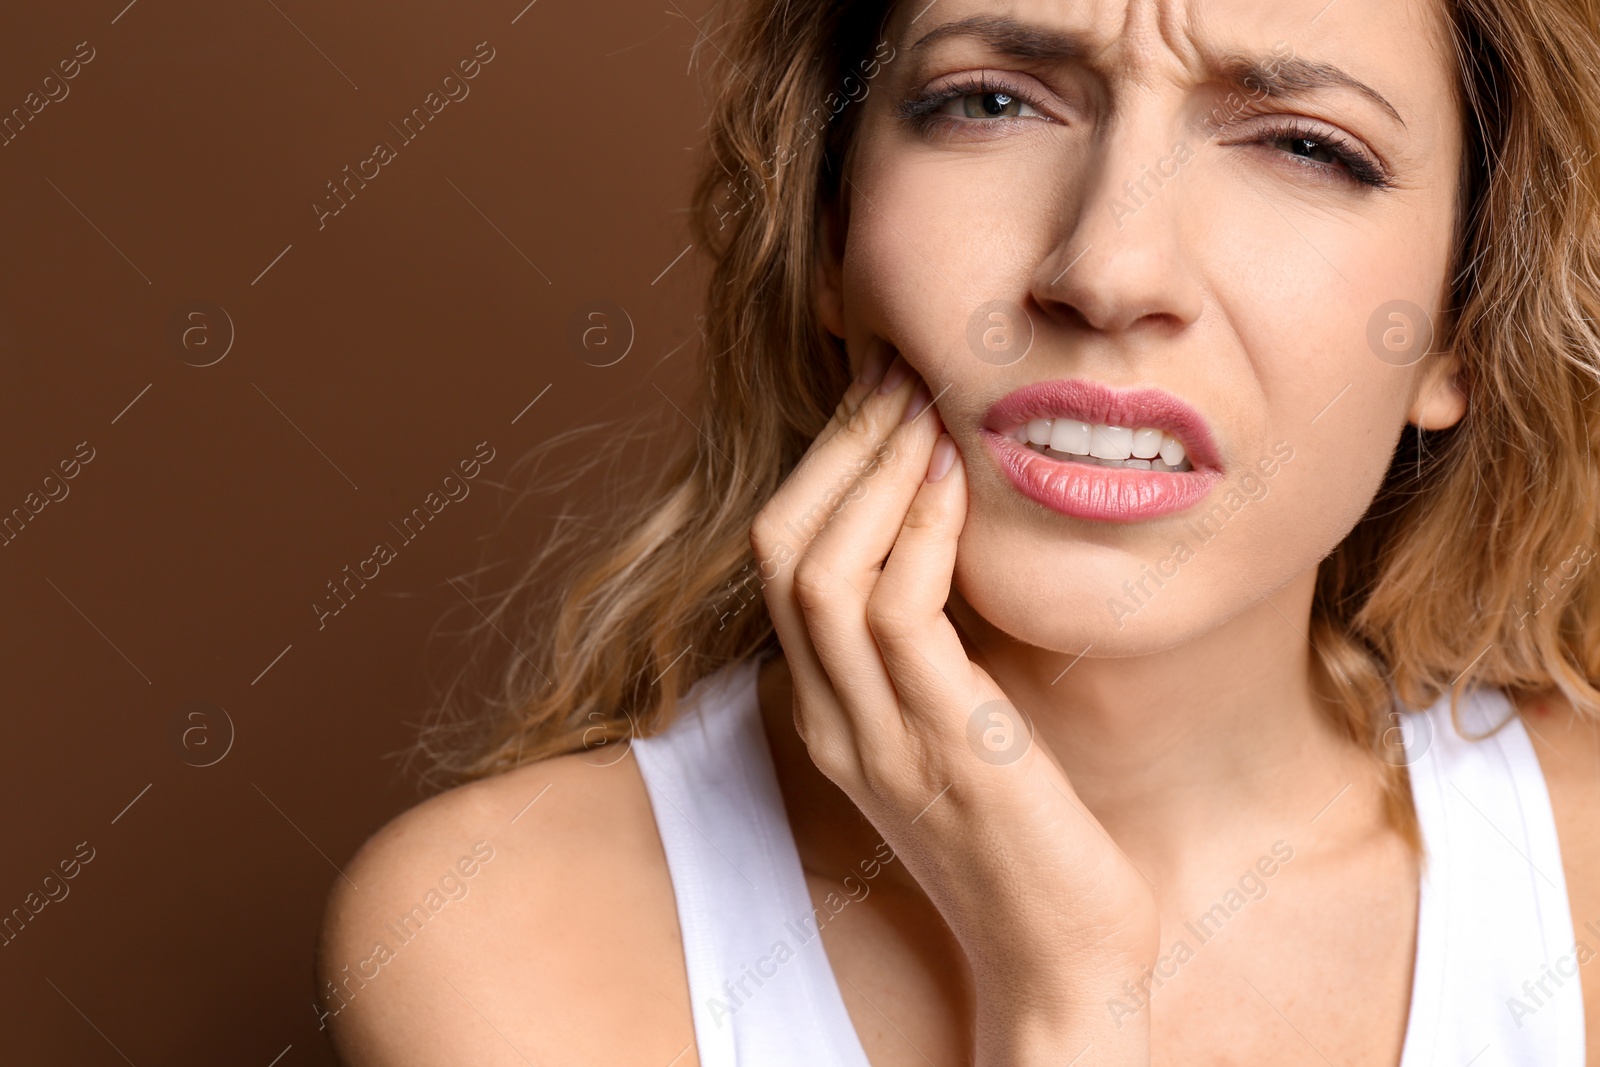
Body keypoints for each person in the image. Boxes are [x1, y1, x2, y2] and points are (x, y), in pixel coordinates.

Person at [316, 0, 1600, 1062]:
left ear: (1459, 324)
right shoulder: (499, 926)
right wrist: (1063, 994)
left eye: (1304, 146)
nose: (1108, 269)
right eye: (990, 102)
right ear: (826, 232)